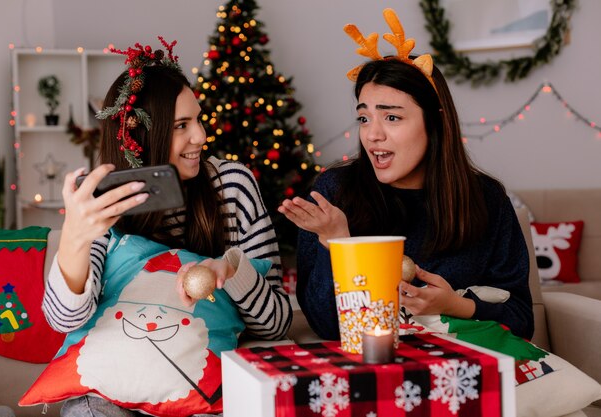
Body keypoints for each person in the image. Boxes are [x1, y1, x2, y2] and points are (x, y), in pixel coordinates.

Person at [42, 38, 291, 416]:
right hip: (104, 393)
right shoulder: (103, 201)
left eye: (198, 120)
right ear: (141, 136)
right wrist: (76, 238)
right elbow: (64, 319)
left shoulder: (233, 186)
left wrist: (230, 269)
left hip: (197, 390)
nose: (201, 137)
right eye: (181, 126)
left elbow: (276, 323)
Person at [278, 9, 533, 342]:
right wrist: (338, 242)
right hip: (376, 377)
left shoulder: (486, 199)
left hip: (462, 373)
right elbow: (327, 327)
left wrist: (456, 305)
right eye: (364, 119)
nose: (372, 135)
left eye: (392, 118)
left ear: (436, 121)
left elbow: (522, 320)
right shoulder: (335, 191)